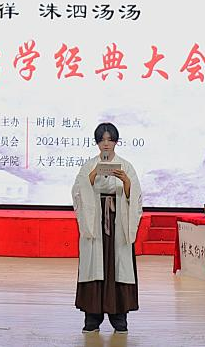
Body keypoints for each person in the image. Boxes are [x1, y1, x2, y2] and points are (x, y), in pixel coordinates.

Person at [72, 121, 142, 333]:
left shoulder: (126, 166)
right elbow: (78, 192)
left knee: (118, 267)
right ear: (96, 142)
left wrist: (126, 182)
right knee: (94, 266)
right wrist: (92, 176)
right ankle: (92, 318)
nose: (106, 144)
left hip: (118, 220)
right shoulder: (89, 166)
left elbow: (136, 196)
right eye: (102, 140)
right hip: (95, 222)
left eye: (110, 140)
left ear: (116, 142)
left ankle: (119, 318)